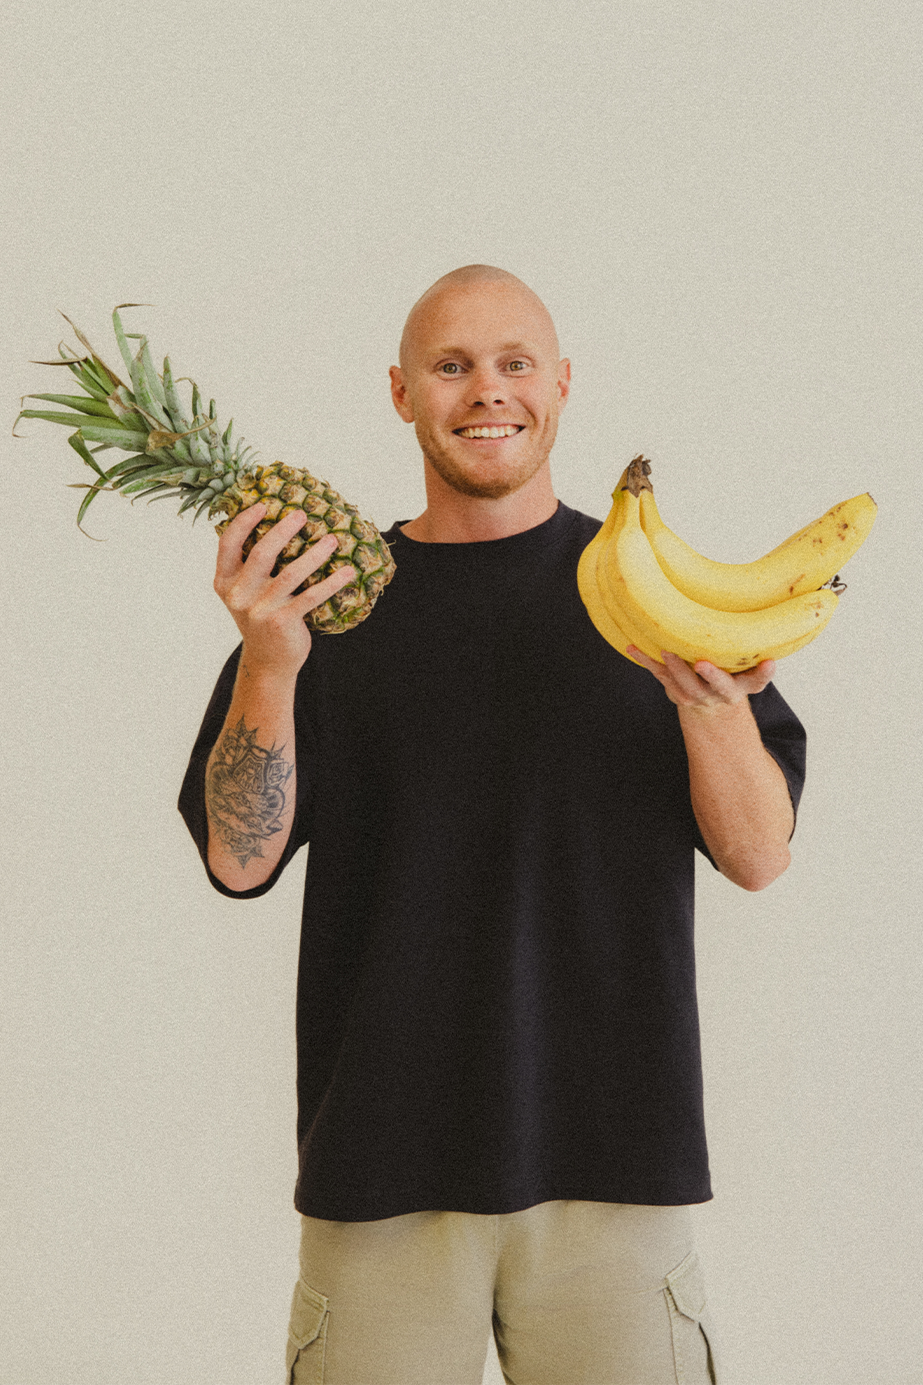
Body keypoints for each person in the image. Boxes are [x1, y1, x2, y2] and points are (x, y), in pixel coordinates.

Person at [179, 265, 805, 1384]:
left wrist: (709, 712)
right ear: (400, 392)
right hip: (380, 1169)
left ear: (560, 382)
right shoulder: (324, 603)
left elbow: (759, 853)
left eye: (515, 362)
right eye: (451, 365)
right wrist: (270, 663)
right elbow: (237, 857)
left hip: (617, 1164)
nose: (487, 391)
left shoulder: (646, 592)